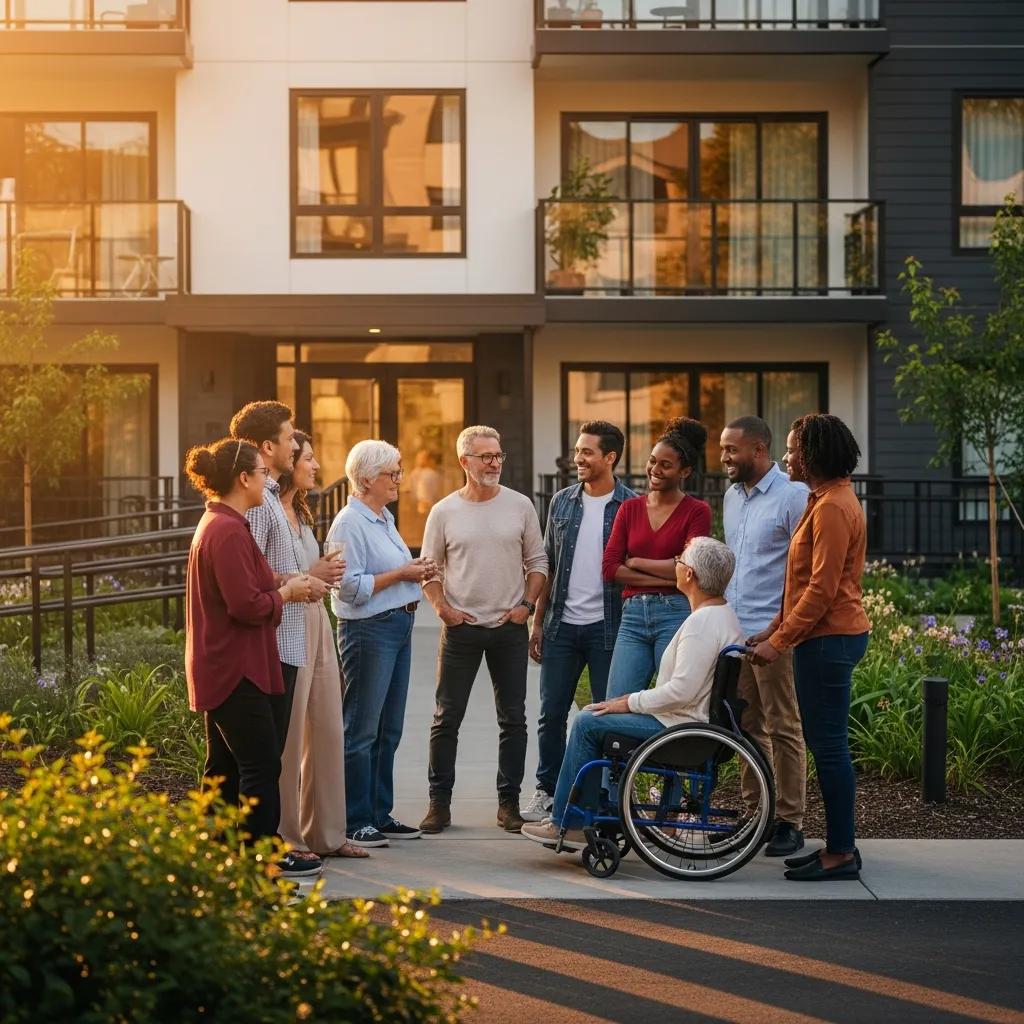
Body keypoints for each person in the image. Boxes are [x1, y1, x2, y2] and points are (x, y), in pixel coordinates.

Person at [521, 537, 744, 850]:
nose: (676, 563)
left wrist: (627, 702)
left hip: (679, 728)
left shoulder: (702, 624)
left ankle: (567, 823)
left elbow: (681, 691)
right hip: (684, 721)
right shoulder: (720, 614)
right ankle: (583, 813)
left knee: (587, 721)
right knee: (596, 714)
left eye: (680, 560)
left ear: (690, 575)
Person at [183, 437, 319, 879]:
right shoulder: (224, 531)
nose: (268, 481)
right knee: (261, 766)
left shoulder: (226, 525)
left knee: (224, 769)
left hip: (228, 665)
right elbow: (246, 605)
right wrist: (288, 593)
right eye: (263, 473)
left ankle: (216, 861)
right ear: (244, 478)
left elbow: (254, 581)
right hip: (234, 670)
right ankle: (264, 865)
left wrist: (287, 579)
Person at [749, 413, 871, 882]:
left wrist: (779, 642)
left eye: (793, 449)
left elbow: (822, 591)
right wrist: (774, 627)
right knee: (826, 746)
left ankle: (841, 853)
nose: (786, 456)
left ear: (815, 455)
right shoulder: (821, 501)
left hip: (830, 639)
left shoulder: (834, 507)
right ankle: (838, 847)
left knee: (830, 748)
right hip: (821, 636)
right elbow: (799, 585)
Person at [230, 401, 344, 875]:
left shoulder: (283, 501)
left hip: (302, 630)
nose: (301, 447)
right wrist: (305, 577)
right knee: (271, 755)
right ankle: (275, 846)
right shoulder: (256, 505)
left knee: (307, 739)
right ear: (269, 447)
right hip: (276, 639)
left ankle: (311, 836)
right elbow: (252, 577)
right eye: (293, 438)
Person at [419, 425, 549, 835]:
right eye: (485, 456)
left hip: (508, 628)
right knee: (446, 718)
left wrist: (525, 607)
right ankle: (439, 804)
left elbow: (539, 563)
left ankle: (507, 804)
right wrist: (443, 609)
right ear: (464, 462)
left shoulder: (520, 505)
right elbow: (429, 570)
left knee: (514, 720)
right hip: (461, 630)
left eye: (498, 455)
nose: (494, 463)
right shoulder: (443, 511)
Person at [523, 421, 636, 823]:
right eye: (577, 451)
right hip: (562, 627)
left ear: (610, 457)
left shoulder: (631, 505)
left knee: (606, 717)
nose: (578, 459)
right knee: (550, 714)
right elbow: (550, 566)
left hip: (609, 629)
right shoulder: (562, 502)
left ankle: (603, 794)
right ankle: (547, 791)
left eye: (587, 452)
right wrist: (538, 623)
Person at [327, 439, 436, 849]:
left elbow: (389, 571)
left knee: (388, 729)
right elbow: (348, 588)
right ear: (368, 479)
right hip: (369, 631)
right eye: (393, 473)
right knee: (361, 730)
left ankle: (378, 812)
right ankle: (355, 819)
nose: (400, 480)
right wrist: (402, 574)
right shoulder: (347, 524)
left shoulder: (382, 516)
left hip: (398, 626)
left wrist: (417, 571)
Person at [720, 415, 810, 858]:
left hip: (775, 636)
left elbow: (803, 574)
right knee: (747, 728)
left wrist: (780, 631)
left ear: (759, 450)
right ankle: (755, 815)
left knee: (784, 725)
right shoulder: (731, 498)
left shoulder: (794, 497)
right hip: (737, 636)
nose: (724, 458)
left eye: (732, 450)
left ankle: (789, 821)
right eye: (723, 449)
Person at [277, 432, 366, 860]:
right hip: (287, 625)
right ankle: (288, 837)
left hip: (317, 619)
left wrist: (322, 575)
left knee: (328, 727)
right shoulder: (267, 512)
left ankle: (327, 834)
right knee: (291, 736)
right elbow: (261, 577)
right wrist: (308, 574)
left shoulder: (300, 511)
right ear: (288, 462)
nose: (315, 467)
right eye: (308, 459)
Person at [603, 417, 711, 699]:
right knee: (615, 701)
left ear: (684, 471)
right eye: (653, 461)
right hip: (633, 616)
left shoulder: (697, 511)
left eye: (666, 465)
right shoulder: (629, 508)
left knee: (671, 704)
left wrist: (636, 562)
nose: (655, 469)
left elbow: (689, 568)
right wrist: (668, 571)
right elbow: (610, 568)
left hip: (675, 613)